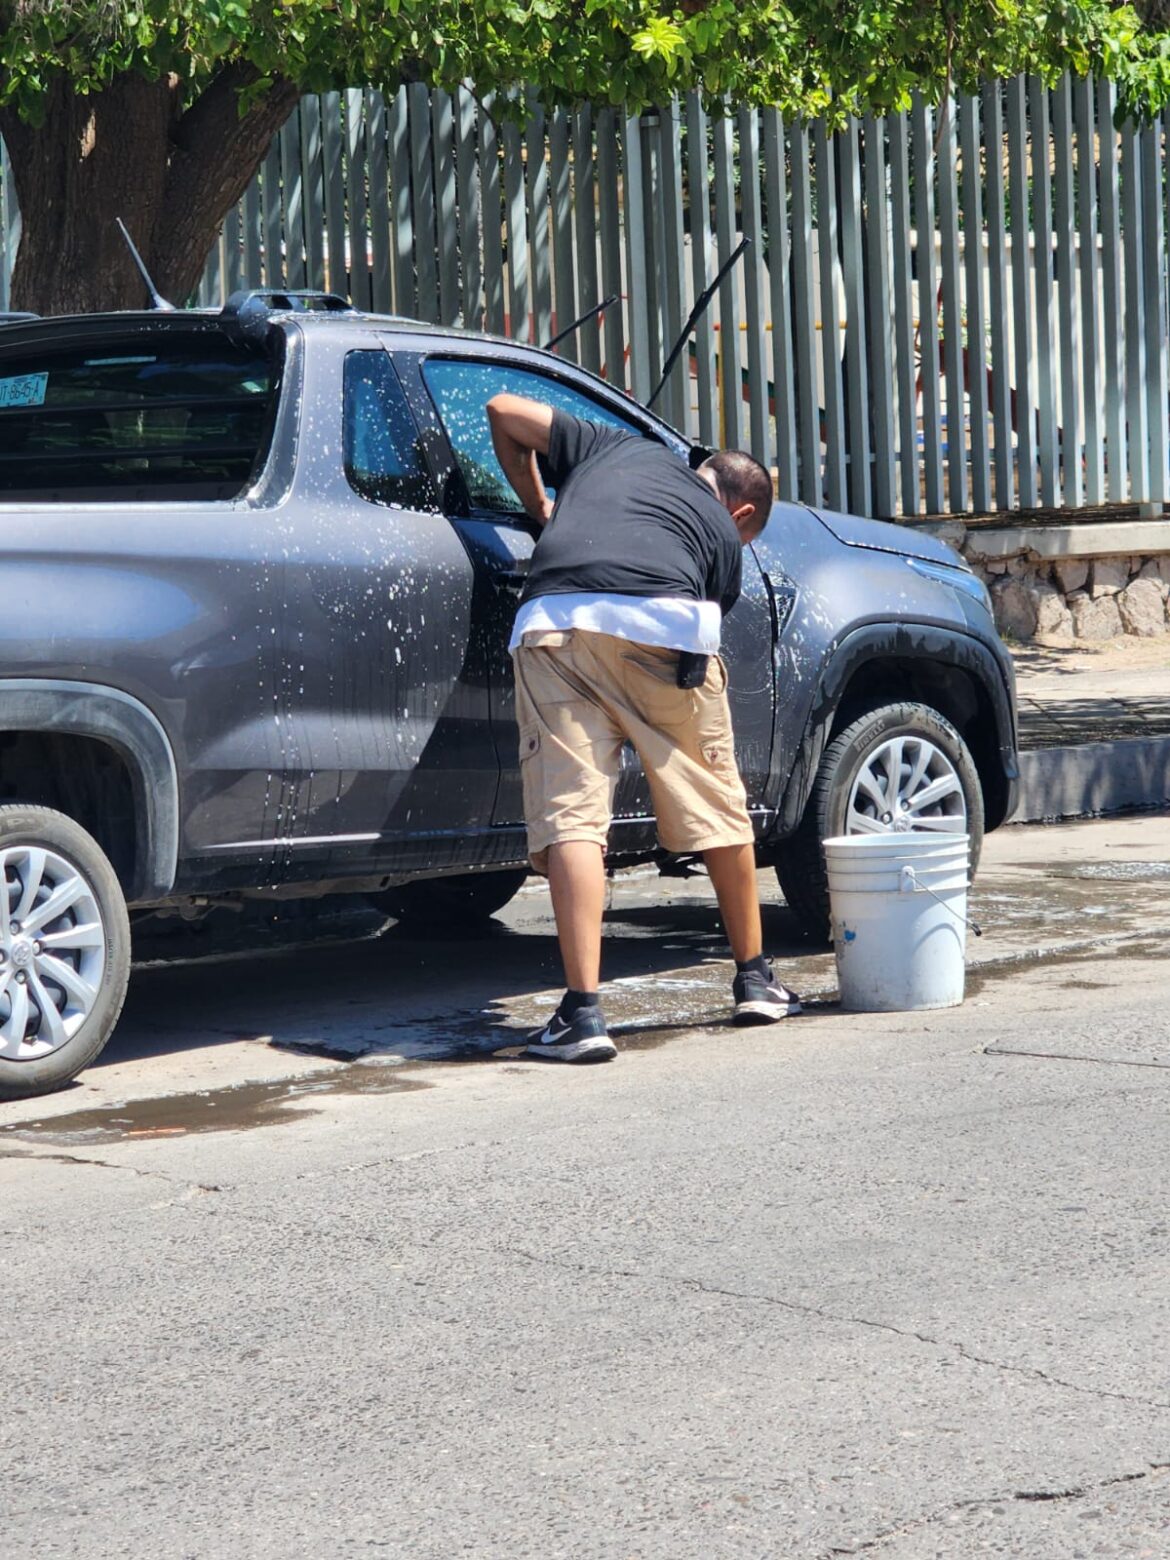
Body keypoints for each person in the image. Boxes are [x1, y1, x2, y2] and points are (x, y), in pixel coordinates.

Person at [486, 393, 802, 1064]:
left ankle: (581, 1014)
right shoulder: (723, 538)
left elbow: (502, 409)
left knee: (573, 814)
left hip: (556, 623)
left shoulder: (616, 446)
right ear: (741, 514)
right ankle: (755, 978)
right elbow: (707, 618)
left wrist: (541, 506)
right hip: (669, 632)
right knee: (717, 802)